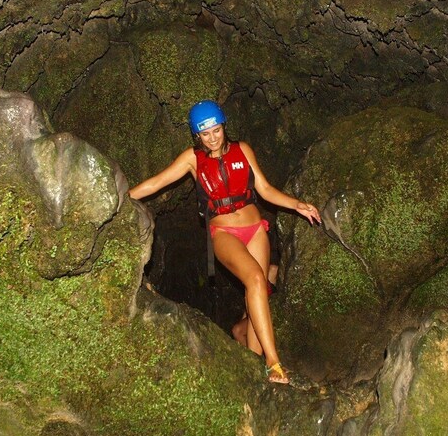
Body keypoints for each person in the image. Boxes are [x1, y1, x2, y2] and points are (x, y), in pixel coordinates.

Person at [128, 99, 321, 384]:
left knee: (257, 292)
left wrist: (297, 205)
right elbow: (157, 183)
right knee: (256, 277)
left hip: (255, 227)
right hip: (224, 233)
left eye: (216, 130)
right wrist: (123, 198)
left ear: (223, 126)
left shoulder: (243, 150)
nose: (212, 138)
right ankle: (274, 362)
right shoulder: (193, 159)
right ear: (197, 136)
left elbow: (265, 190)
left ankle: (256, 363)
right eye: (205, 134)